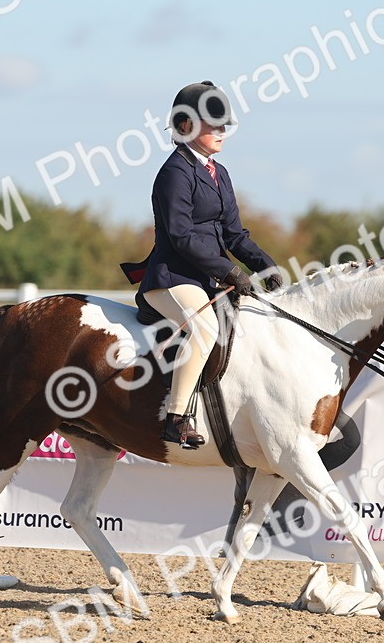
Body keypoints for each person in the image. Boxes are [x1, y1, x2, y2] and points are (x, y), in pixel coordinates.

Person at [120, 81, 282, 448]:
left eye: (225, 124)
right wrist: (229, 271)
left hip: (206, 279)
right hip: (172, 278)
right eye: (213, 125)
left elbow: (234, 234)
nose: (222, 131)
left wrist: (266, 266)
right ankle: (176, 417)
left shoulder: (219, 172)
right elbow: (180, 236)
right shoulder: (175, 172)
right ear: (186, 126)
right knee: (205, 327)